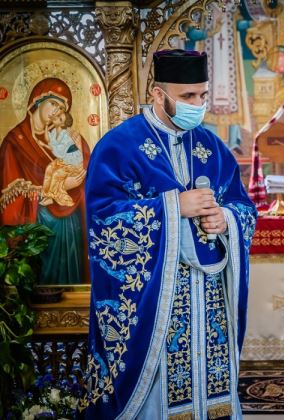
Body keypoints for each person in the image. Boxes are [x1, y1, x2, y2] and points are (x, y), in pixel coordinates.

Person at [82, 49, 257, 419]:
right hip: (157, 300)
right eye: (188, 96)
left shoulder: (211, 145)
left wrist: (225, 220)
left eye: (203, 95)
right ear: (158, 95)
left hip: (208, 299)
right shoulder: (119, 146)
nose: (198, 105)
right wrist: (174, 207)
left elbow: (243, 206)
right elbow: (102, 220)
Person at [0, 77, 89, 285]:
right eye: (53, 104)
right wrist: (59, 187)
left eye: (61, 108)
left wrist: (73, 184)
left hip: (69, 221)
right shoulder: (15, 142)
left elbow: (85, 170)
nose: (57, 111)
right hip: (36, 220)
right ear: (36, 101)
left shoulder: (66, 136)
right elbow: (11, 195)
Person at [41, 112, 84, 207]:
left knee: (56, 174)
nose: (56, 118)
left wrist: (44, 145)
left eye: (60, 119)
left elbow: (59, 153)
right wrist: (47, 127)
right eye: (58, 116)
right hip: (65, 160)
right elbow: (48, 139)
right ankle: (46, 193)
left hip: (73, 162)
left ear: (62, 124)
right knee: (49, 168)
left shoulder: (66, 136)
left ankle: (52, 198)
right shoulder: (54, 132)